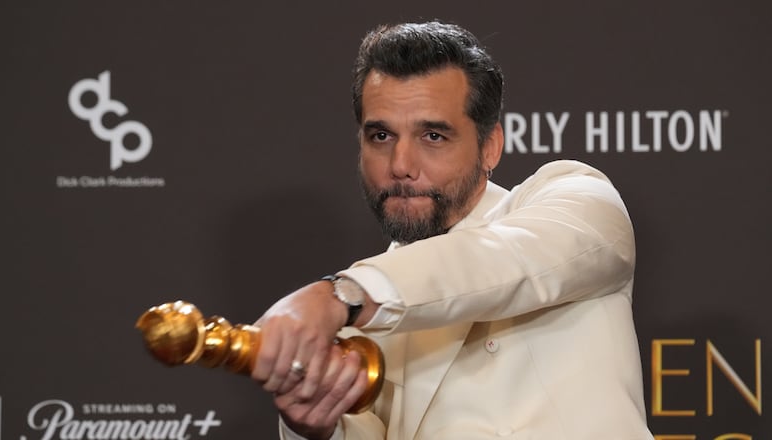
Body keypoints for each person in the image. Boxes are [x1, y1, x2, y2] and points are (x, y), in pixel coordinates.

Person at [251, 21, 654, 439]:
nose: (401, 164)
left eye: (433, 135)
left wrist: (342, 294)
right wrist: (313, 427)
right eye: (381, 135)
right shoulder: (359, 323)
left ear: (490, 146)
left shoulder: (577, 199)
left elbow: (496, 261)